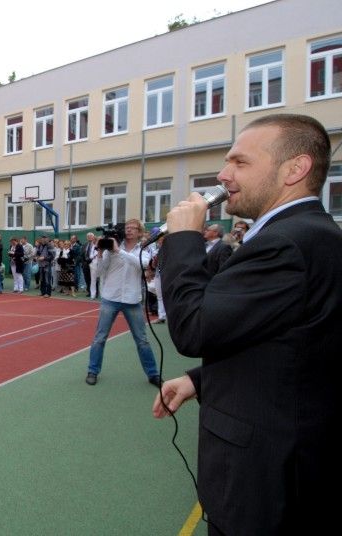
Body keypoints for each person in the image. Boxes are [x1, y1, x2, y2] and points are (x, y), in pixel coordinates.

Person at [152, 114, 342, 535]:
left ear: (295, 169)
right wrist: (200, 380)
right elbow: (294, 342)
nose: (223, 175)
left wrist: (184, 239)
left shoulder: (287, 242)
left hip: (264, 482)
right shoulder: (305, 234)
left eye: (239, 162)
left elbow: (193, 328)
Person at [85, 219, 160, 386]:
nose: (129, 230)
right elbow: (99, 273)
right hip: (110, 298)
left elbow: (141, 264)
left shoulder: (144, 249)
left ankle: (153, 374)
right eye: (127, 227)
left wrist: (118, 251)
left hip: (132, 300)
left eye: (133, 228)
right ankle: (92, 371)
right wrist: (99, 254)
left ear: (140, 232)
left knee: (142, 339)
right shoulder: (110, 248)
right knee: (99, 338)